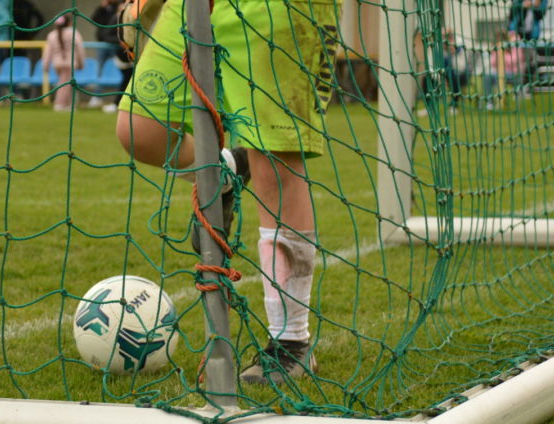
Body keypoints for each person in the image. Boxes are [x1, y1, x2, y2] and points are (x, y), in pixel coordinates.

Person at [116, 0, 337, 384]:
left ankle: (291, 343)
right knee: (139, 129)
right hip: (193, 5)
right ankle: (228, 171)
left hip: (275, 7)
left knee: (275, 163)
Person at [41, 14, 86, 111]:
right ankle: (59, 104)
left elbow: (47, 52)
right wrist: (82, 63)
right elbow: (80, 49)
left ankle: (68, 105)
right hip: (70, 63)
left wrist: (46, 65)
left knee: (65, 83)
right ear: (69, 23)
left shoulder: (52, 35)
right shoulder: (73, 32)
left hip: (57, 64)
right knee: (65, 84)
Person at [483, 30, 525, 108]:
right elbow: (493, 63)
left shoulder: (514, 47)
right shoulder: (496, 49)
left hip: (513, 74)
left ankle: (501, 101)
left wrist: (503, 53)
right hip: (498, 73)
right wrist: (498, 53)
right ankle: (490, 102)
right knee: (487, 77)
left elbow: (514, 61)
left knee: (498, 76)